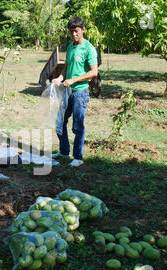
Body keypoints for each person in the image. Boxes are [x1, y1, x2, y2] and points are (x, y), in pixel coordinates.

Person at [52, 16, 98, 167]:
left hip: (80, 92)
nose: (74, 35)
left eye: (77, 31)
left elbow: (94, 72)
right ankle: (64, 151)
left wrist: (74, 80)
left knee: (78, 125)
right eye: (71, 32)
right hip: (67, 92)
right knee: (60, 121)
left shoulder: (89, 48)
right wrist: (60, 77)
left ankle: (78, 156)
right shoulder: (71, 47)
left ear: (83, 29)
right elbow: (66, 67)